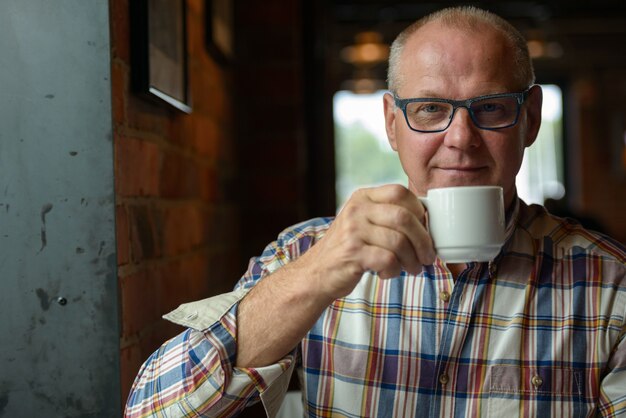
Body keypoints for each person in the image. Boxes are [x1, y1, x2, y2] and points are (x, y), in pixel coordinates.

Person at [125, 6, 626, 418]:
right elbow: (149, 410)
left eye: (490, 107)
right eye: (430, 109)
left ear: (531, 118)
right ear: (392, 123)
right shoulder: (307, 254)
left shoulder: (609, 284)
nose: (459, 139)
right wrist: (318, 273)